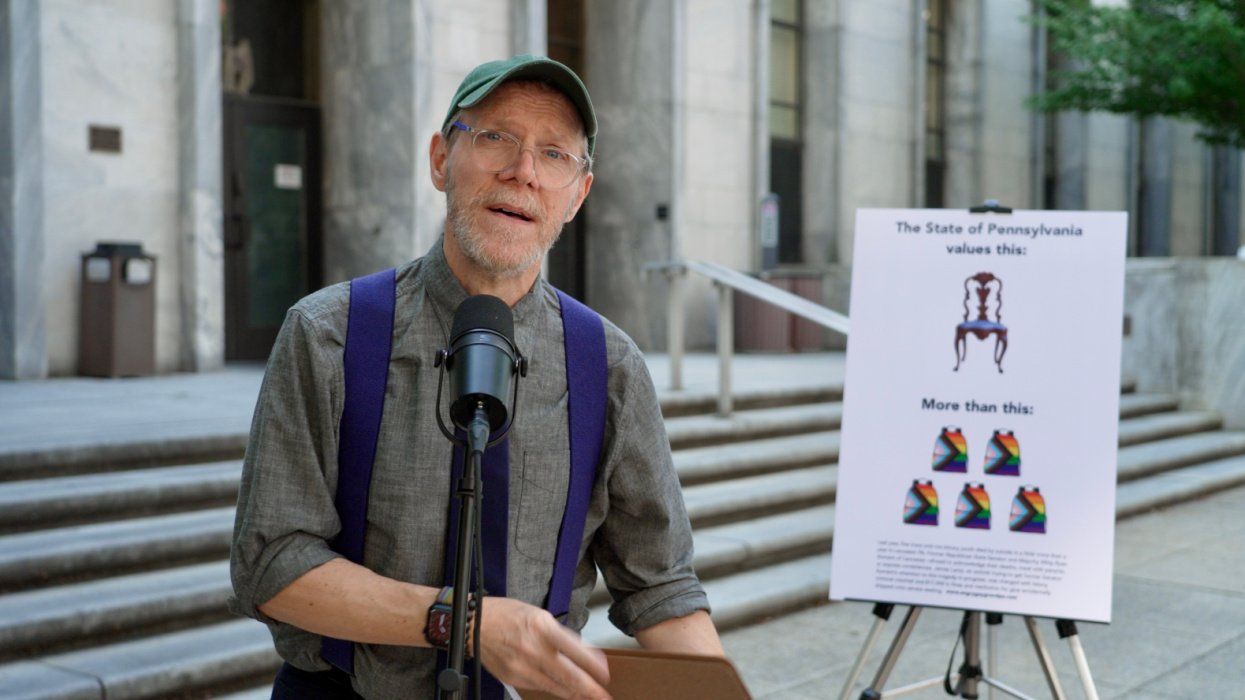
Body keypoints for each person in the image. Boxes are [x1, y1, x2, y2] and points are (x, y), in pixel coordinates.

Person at [229, 55, 724, 699]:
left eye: (554, 154)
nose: (523, 173)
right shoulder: (328, 333)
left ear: (577, 195)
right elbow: (270, 562)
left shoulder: (610, 364)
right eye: (496, 138)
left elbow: (662, 587)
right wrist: (463, 623)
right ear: (440, 159)